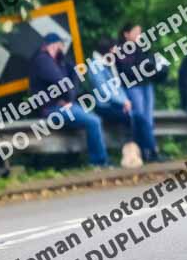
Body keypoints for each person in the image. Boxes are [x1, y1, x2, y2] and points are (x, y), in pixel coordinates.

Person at [28, 33, 111, 167]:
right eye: (61, 44)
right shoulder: (42, 60)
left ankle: (99, 161)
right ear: (54, 44)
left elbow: (74, 77)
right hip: (51, 109)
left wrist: (69, 98)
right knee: (93, 121)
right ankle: (99, 162)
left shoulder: (60, 60)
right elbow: (61, 82)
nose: (63, 47)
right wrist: (68, 98)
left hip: (65, 105)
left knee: (94, 119)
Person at [89, 37, 158, 162]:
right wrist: (122, 102)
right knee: (130, 118)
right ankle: (136, 154)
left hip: (118, 105)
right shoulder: (95, 66)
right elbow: (103, 91)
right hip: (104, 107)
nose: (117, 51)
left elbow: (119, 87)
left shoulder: (110, 63)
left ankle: (151, 152)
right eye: (114, 49)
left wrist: (126, 101)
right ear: (109, 50)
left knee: (140, 118)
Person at [115, 23, 161, 162]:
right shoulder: (122, 50)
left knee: (148, 119)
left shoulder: (143, 47)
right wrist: (143, 67)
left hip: (146, 85)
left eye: (140, 32)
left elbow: (153, 64)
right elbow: (127, 70)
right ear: (126, 34)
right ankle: (147, 150)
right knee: (140, 117)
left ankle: (148, 151)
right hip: (134, 86)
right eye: (135, 32)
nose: (138, 35)